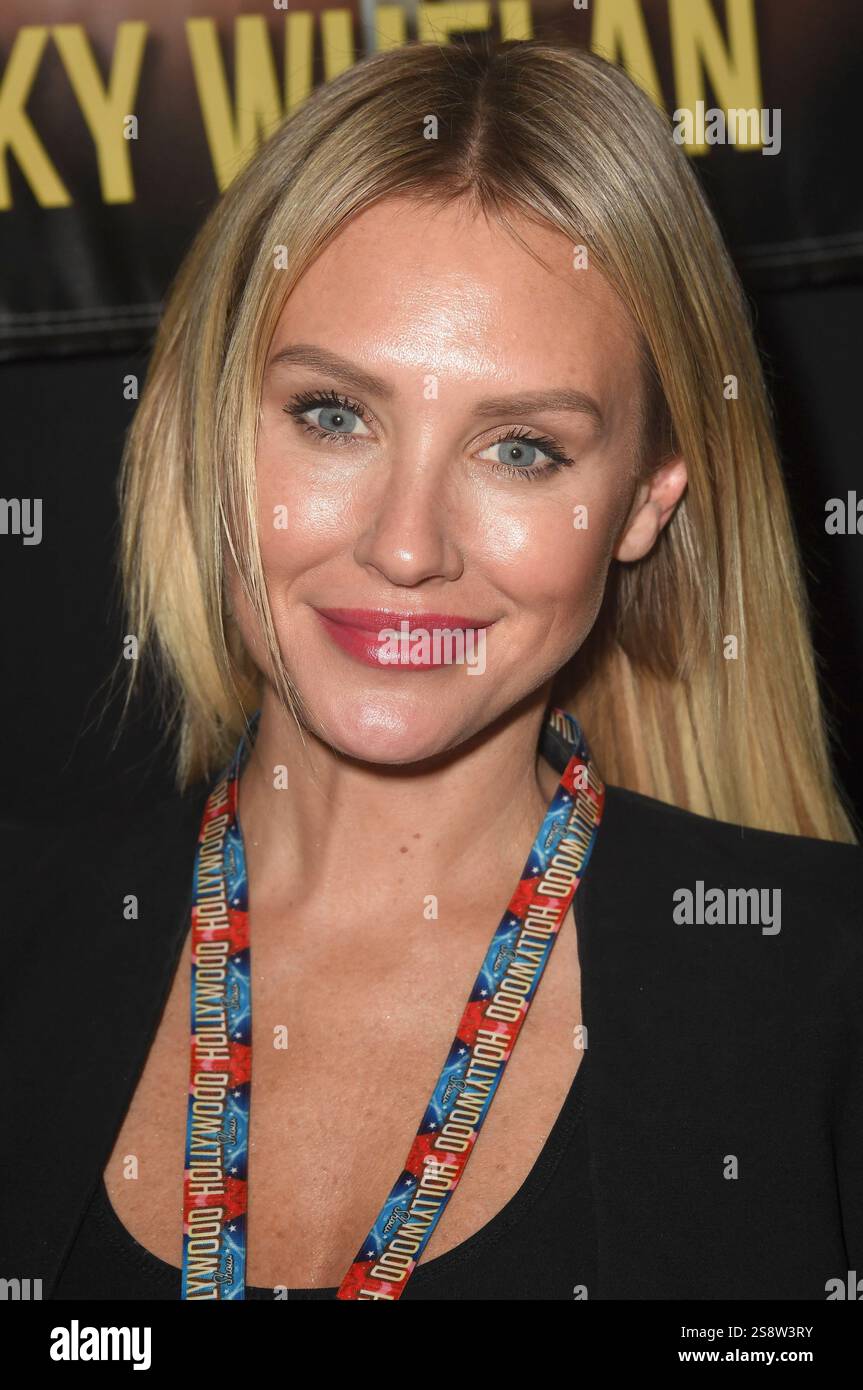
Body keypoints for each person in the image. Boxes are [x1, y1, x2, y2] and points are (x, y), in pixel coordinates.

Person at [4, 38, 861, 1302]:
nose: (405, 547)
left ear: (642, 500)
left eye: (520, 448)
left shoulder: (825, 988)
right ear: (204, 426)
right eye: (333, 415)